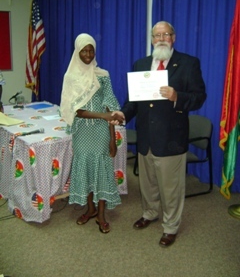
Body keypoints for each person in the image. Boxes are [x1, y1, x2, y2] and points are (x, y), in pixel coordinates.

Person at [113, 21, 206, 247]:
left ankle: (171, 226)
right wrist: (122, 114)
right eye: (157, 35)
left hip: (171, 138)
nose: (161, 38)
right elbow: (132, 102)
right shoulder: (141, 64)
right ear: (152, 39)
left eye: (166, 34)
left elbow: (199, 97)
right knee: (148, 183)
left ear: (173, 37)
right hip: (146, 137)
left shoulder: (188, 63)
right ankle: (150, 213)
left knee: (171, 187)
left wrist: (177, 97)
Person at [60, 33, 124, 234]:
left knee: (102, 172)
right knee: (86, 170)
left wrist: (112, 139)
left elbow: (110, 108)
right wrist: (104, 117)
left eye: (91, 50)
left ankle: (102, 214)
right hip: (81, 133)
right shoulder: (71, 77)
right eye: (84, 50)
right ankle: (90, 209)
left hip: (100, 133)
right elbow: (77, 111)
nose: (88, 54)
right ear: (77, 52)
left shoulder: (102, 75)